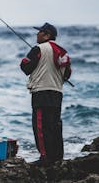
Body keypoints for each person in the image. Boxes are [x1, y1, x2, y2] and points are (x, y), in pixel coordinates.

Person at [20, 22, 72, 166]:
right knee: (55, 124)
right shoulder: (63, 51)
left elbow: (25, 67)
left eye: (40, 32)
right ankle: (57, 156)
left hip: (41, 92)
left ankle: (45, 157)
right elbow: (67, 74)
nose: (37, 34)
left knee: (41, 126)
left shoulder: (38, 49)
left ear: (47, 35)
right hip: (57, 93)